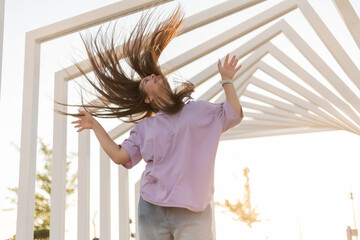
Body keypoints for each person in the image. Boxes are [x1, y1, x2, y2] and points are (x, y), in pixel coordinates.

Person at [69, 6, 243, 240]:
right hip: (152, 209)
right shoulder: (144, 128)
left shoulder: (199, 111)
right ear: (148, 99)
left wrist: (227, 80)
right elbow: (120, 156)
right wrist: (94, 125)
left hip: (195, 212)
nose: (153, 76)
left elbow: (233, 114)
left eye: (152, 75)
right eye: (147, 80)